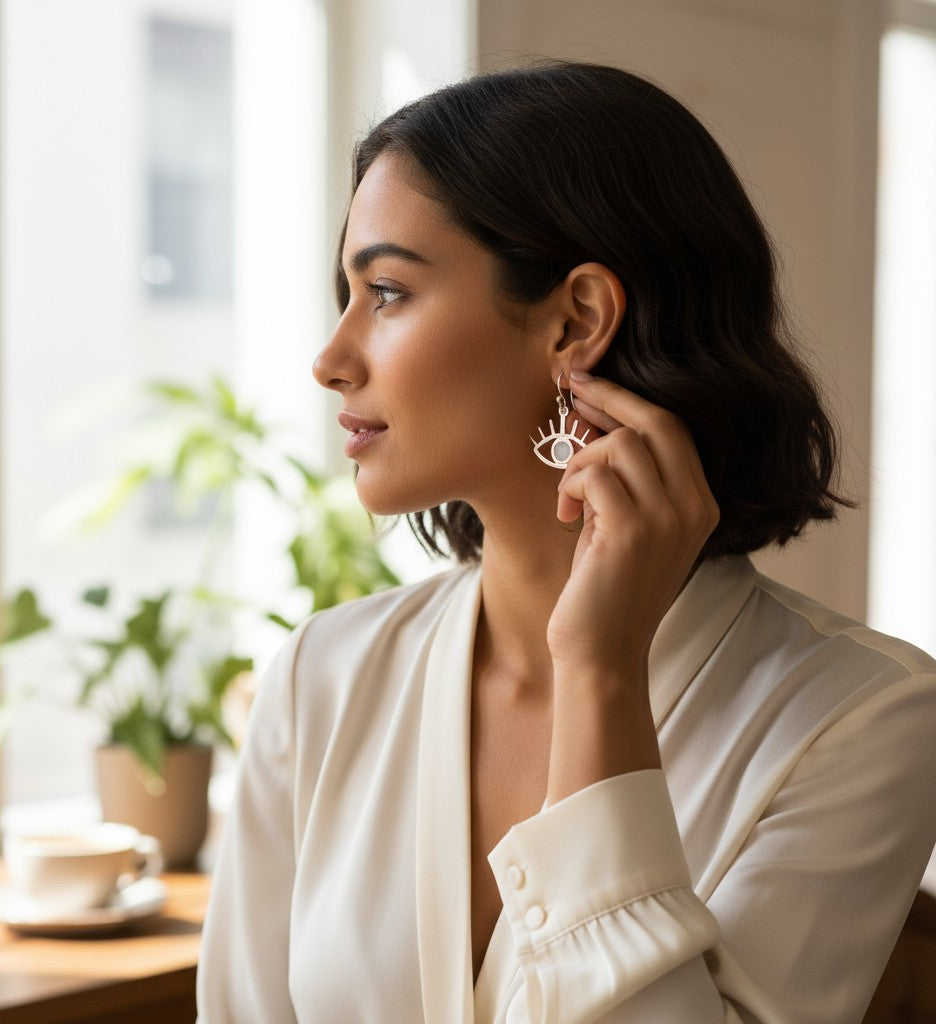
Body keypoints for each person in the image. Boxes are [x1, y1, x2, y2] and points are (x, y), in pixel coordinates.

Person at [196, 62, 936, 1023]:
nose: (331, 359)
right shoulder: (318, 681)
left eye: (385, 292)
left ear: (577, 319)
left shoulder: (863, 720)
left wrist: (600, 671)